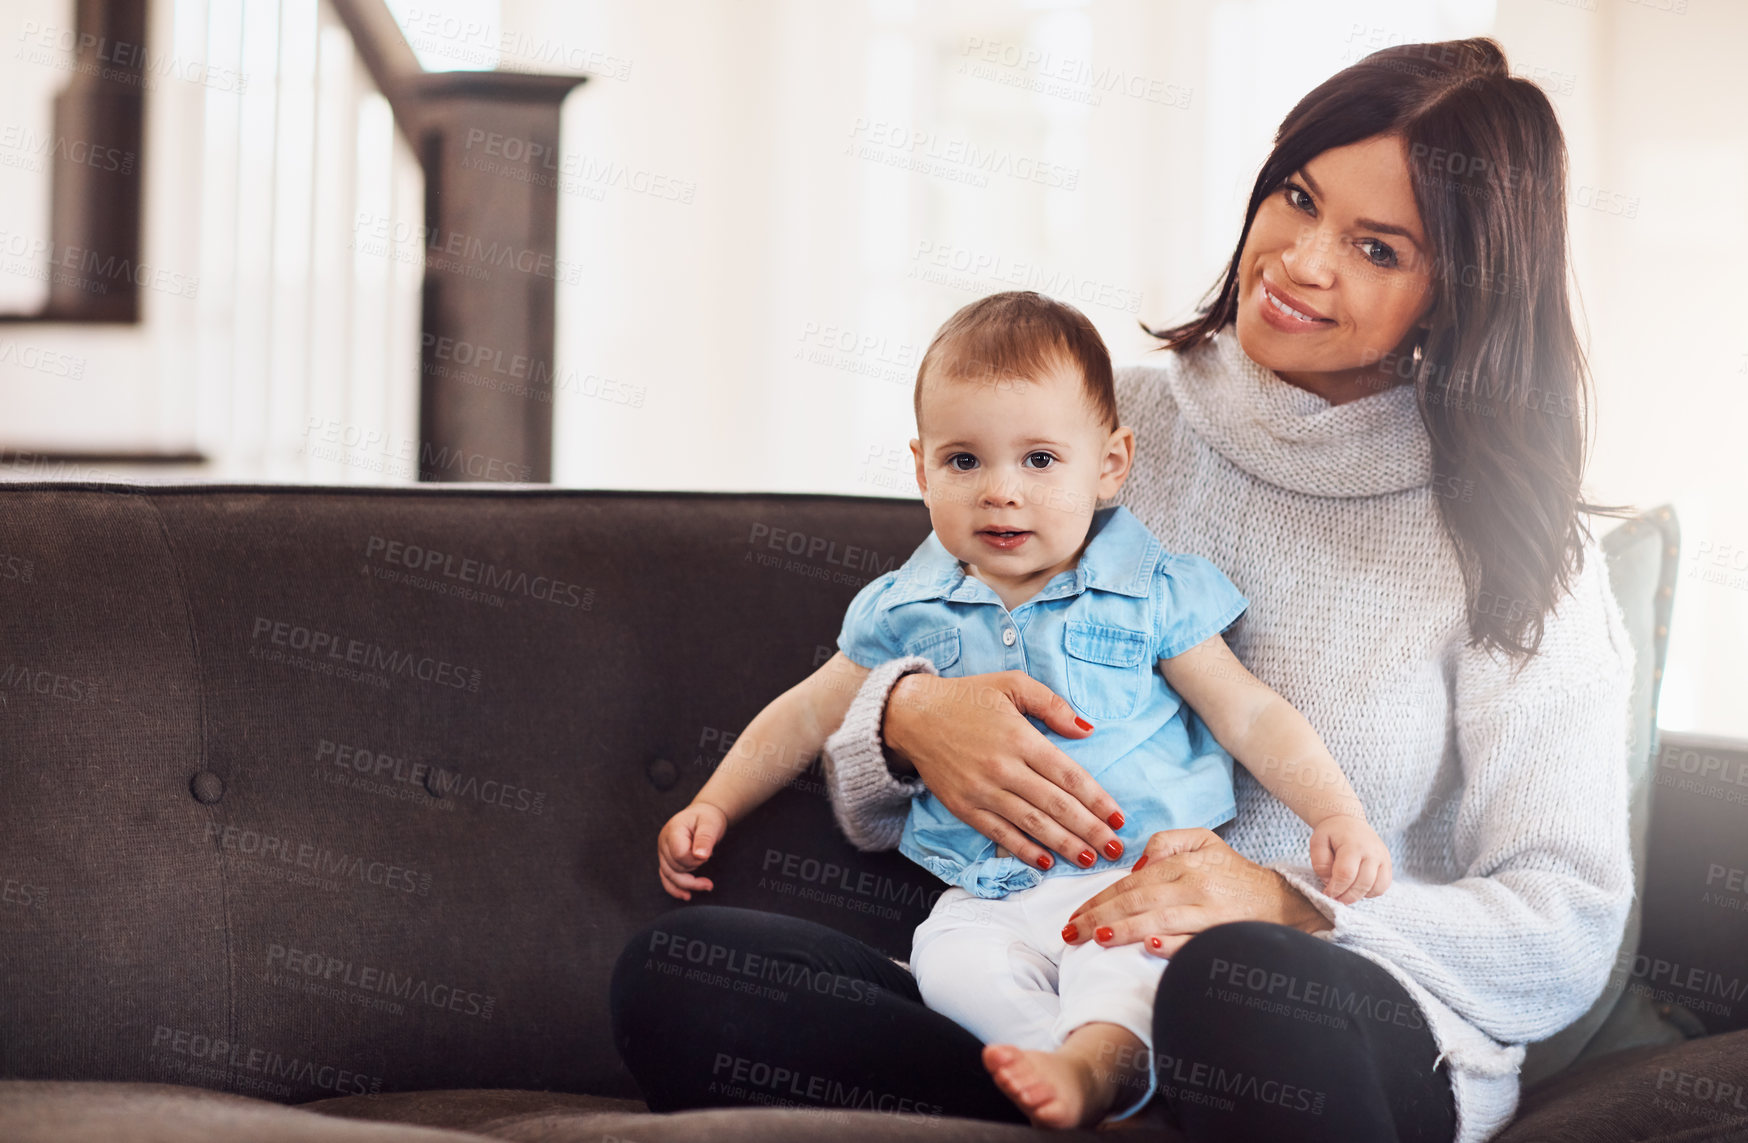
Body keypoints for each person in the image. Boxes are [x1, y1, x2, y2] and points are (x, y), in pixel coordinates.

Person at [612, 37, 1632, 1143]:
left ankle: (1118, 1082)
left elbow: (1563, 923)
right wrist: (906, 722)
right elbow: (893, 654)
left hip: (1329, 1019)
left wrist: (1299, 907)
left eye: (1375, 248)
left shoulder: (1514, 548)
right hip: (1049, 965)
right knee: (685, 974)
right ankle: (1072, 1095)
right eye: (1296, 197)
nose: (1299, 260)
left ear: (1455, 294)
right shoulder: (1080, 432)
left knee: (1237, 984)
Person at [648, 290, 1394, 1128]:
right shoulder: (902, 609)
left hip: (1135, 879)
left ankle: (1096, 1065)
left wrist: (1336, 813)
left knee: (1135, 970)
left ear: (1110, 464)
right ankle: (1054, 1071)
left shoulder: (1150, 593)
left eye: (1039, 460)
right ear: (921, 466)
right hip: (989, 893)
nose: (1002, 492)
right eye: (965, 461)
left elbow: (1251, 716)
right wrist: (713, 801)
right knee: (949, 965)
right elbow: (802, 716)